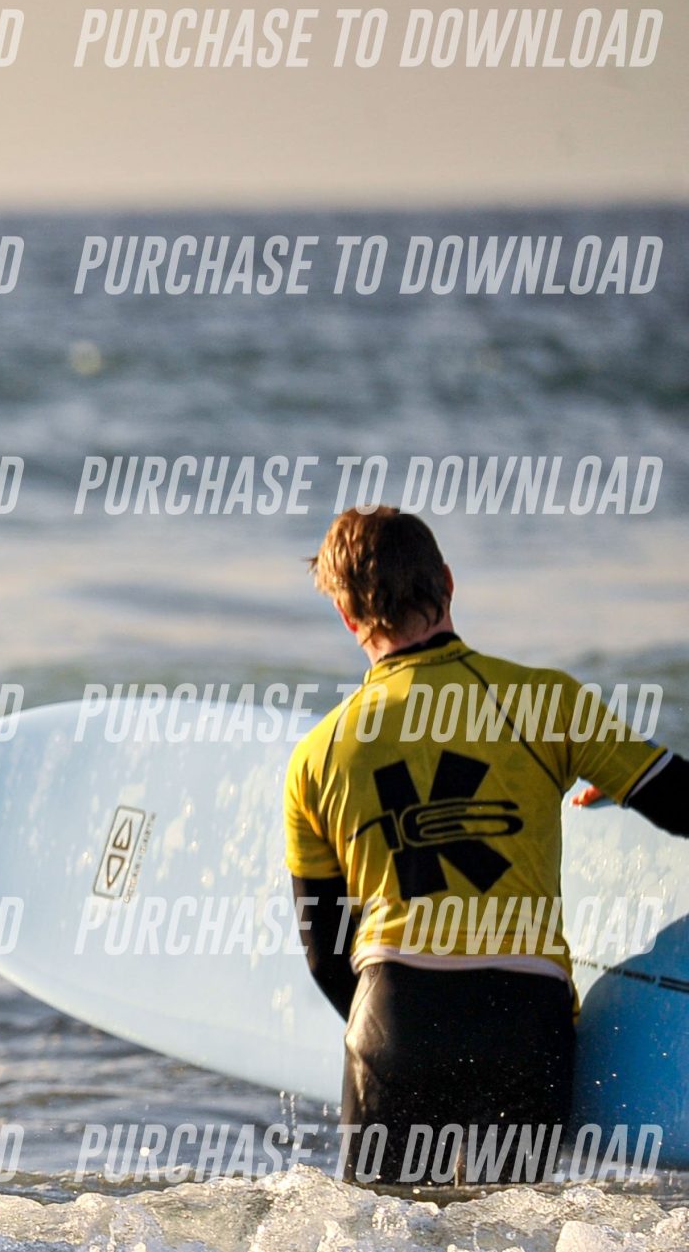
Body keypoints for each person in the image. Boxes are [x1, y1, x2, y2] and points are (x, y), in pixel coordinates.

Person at [285, 507, 688, 1185]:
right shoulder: (547, 701)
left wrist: (396, 1037)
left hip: (396, 1006)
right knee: (510, 1237)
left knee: (376, 1238)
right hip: (523, 1016)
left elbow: (325, 953)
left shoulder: (318, 756)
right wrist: (623, 782)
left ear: (348, 616)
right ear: (447, 581)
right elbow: (680, 800)